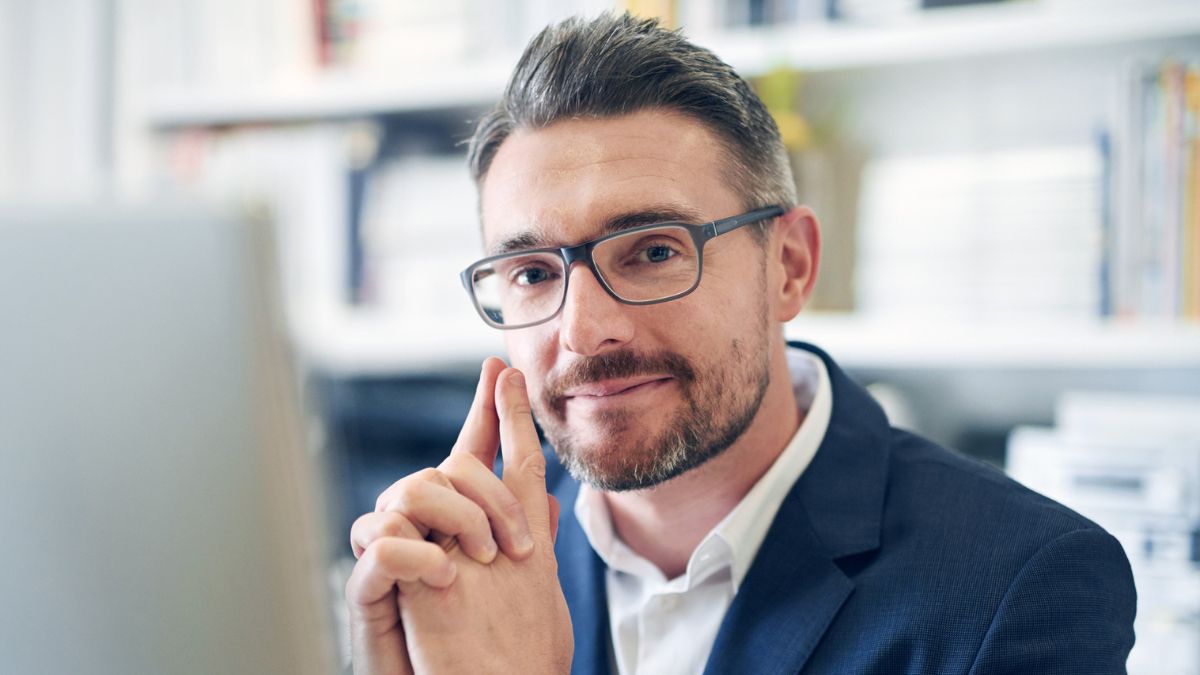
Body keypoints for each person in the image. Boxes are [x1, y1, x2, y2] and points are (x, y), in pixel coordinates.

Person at [344, 12, 1136, 675]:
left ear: (789, 267)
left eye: (654, 251)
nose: (582, 330)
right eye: (530, 273)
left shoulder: (1022, 586)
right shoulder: (455, 568)